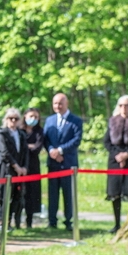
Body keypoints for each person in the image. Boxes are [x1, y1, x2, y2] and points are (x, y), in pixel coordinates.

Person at [104, 96, 128, 233]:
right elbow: (107, 142)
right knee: (115, 194)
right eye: (121, 105)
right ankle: (116, 224)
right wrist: (118, 155)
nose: (124, 108)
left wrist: (127, 155)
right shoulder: (112, 121)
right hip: (115, 162)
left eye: (127, 105)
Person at [43, 93, 83, 231]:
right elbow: (45, 139)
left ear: (67, 104)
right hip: (53, 164)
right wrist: (51, 151)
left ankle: (68, 221)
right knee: (52, 194)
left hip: (68, 163)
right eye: (55, 103)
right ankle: (52, 221)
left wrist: (60, 151)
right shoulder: (49, 120)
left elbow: (76, 140)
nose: (57, 106)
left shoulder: (76, 121)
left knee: (68, 194)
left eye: (60, 103)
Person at [0, 108, 29, 229]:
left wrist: (24, 167)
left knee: (18, 196)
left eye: (16, 118)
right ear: (6, 119)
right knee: (5, 197)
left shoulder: (22, 135)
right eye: (10, 118)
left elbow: (25, 152)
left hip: (19, 172)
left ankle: (15, 222)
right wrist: (16, 166)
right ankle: (2, 222)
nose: (13, 121)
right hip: (6, 170)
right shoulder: (1, 134)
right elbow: (4, 152)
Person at [21, 108, 45, 221]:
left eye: (36, 117)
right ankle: (16, 220)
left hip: (34, 165)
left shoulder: (39, 131)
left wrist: (26, 147)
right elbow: (18, 148)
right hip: (20, 165)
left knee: (32, 193)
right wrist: (29, 146)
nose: (33, 119)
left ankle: (29, 220)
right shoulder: (20, 130)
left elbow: (37, 148)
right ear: (25, 116)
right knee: (20, 192)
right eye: (31, 116)